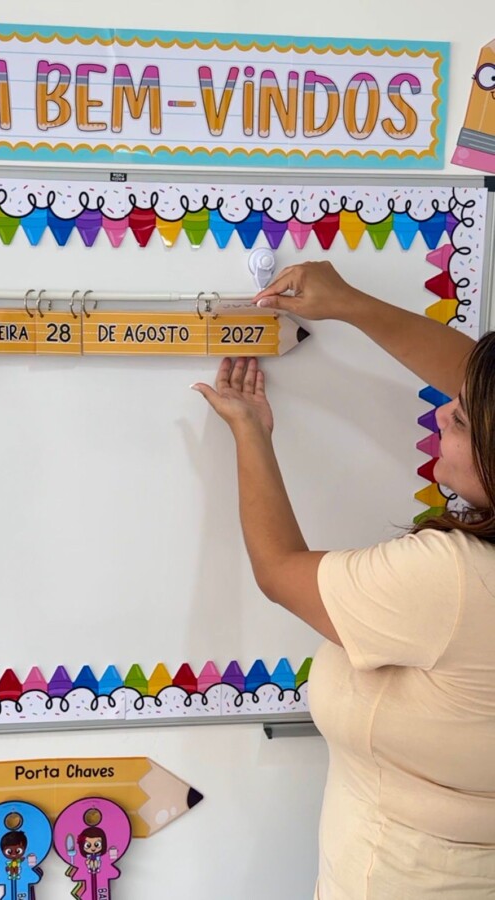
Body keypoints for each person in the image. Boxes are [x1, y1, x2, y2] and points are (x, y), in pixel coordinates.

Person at [192, 261, 495, 899]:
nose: (442, 412)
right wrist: (353, 303)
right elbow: (482, 384)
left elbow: (280, 571)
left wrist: (250, 430)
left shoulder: (457, 582)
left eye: (461, 420)